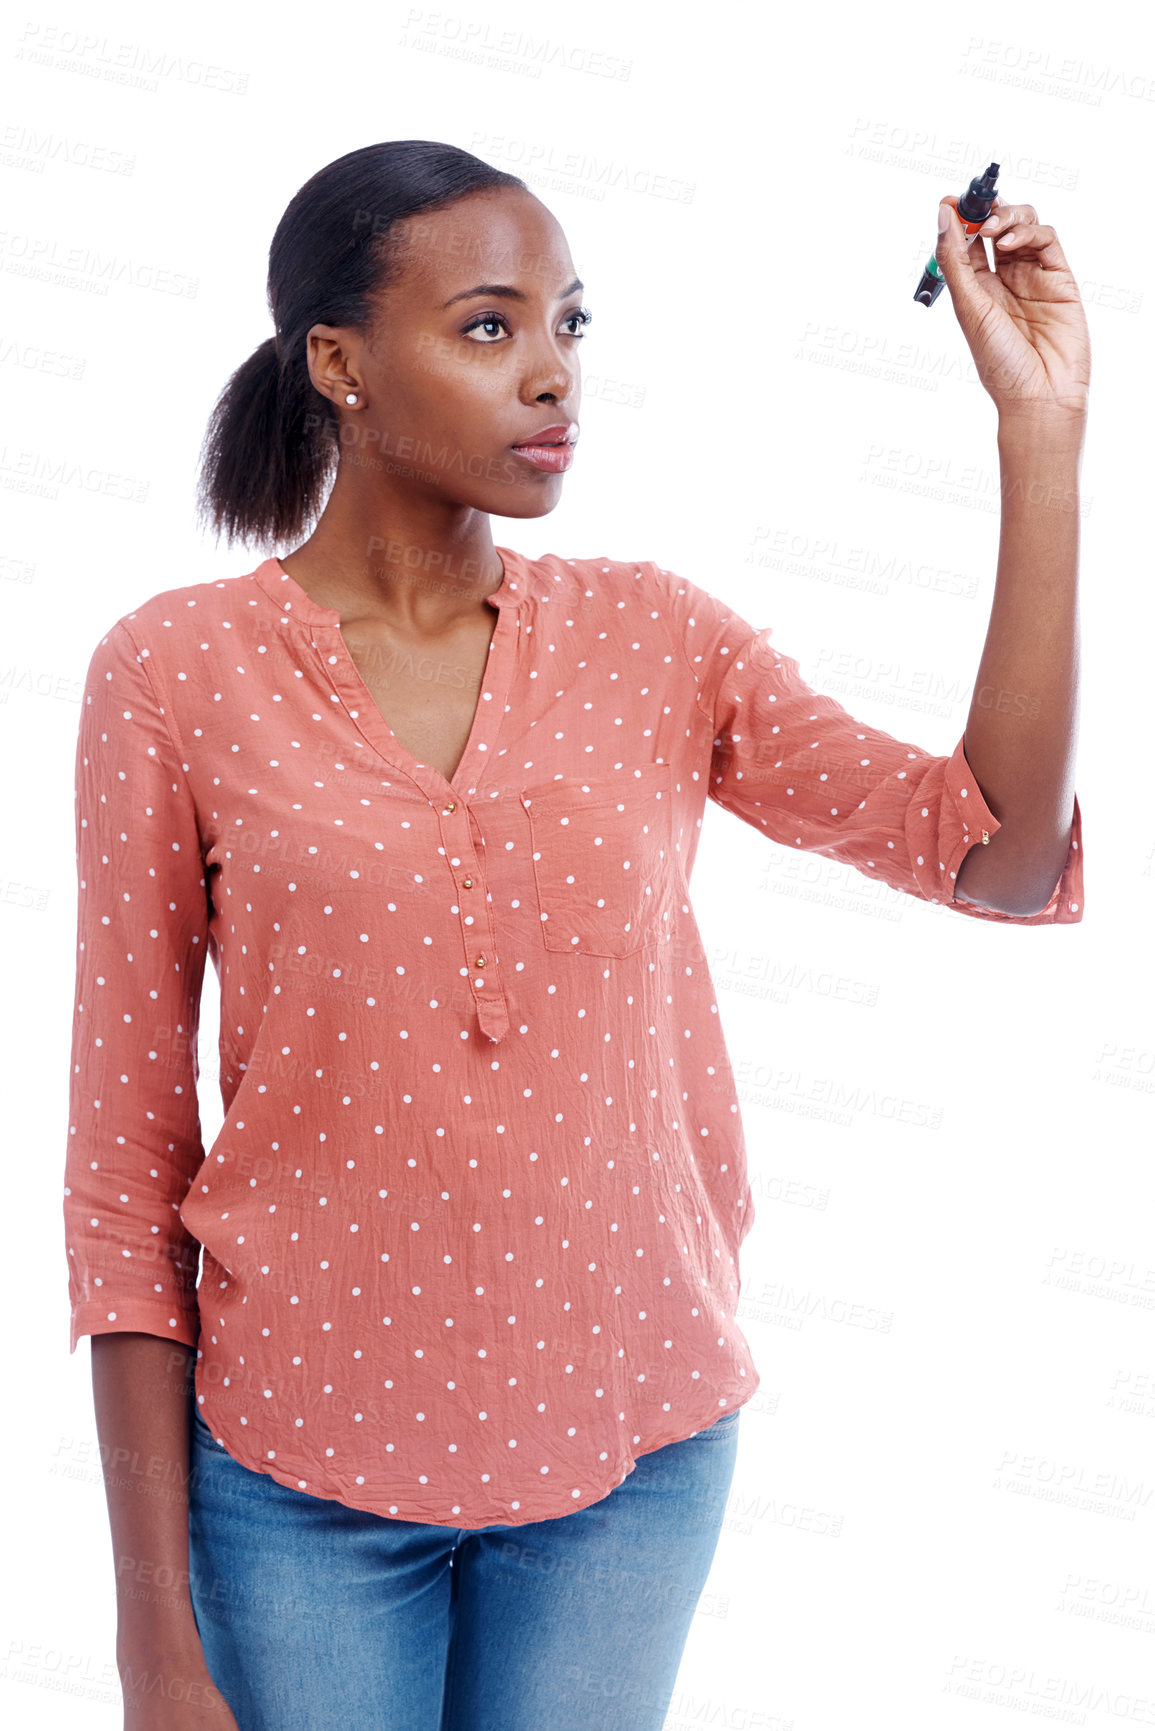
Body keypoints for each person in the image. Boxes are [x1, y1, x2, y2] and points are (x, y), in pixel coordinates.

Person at [63, 139, 1087, 1731]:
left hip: (632, 1455)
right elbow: (123, 1173)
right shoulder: (175, 675)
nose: (550, 375)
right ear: (339, 362)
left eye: (570, 326)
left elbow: (997, 860)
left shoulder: (655, 639)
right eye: (487, 328)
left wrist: (1042, 432)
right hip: (293, 1481)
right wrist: (149, 1640)